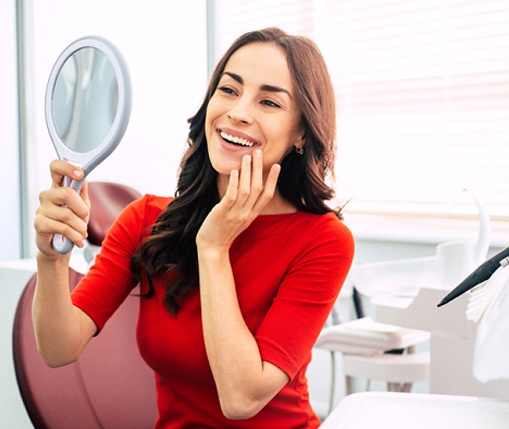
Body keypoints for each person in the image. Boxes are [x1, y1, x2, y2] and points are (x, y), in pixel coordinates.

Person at [33, 27, 355, 428]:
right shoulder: (145, 220)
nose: (239, 112)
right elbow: (57, 349)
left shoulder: (323, 241)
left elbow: (241, 397)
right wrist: (50, 260)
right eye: (229, 90)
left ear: (302, 133)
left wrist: (214, 249)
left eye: (269, 101)